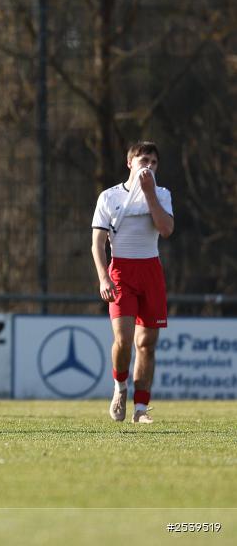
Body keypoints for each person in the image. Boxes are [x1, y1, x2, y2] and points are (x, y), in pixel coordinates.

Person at [91, 141, 173, 424]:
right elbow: (98, 243)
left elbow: (166, 229)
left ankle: (140, 408)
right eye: (143, 160)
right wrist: (103, 276)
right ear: (130, 163)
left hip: (150, 270)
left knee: (146, 344)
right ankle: (119, 387)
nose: (148, 166)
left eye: (153, 162)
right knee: (124, 341)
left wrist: (149, 194)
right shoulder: (109, 196)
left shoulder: (161, 194)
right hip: (122, 272)